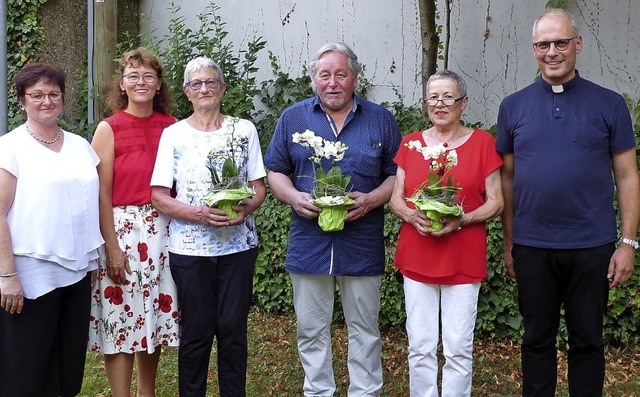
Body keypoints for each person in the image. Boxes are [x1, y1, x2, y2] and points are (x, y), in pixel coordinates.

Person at [497, 9, 640, 397]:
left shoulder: (610, 104)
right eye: (544, 44)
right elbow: (507, 179)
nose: (553, 52)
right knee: (536, 341)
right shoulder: (512, 106)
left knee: (588, 342)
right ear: (534, 50)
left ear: (577, 44)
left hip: (591, 246)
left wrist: (627, 244)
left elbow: (628, 176)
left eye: (561, 42)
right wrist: (510, 241)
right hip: (533, 245)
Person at [264, 42, 402, 397]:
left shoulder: (380, 120)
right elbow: (275, 171)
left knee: (365, 328)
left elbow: (396, 176)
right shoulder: (293, 118)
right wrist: (294, 196)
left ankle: (365, 392)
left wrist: (371, 200)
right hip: (309, 242)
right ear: (314, 80)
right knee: (310, 328)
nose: (333, 82)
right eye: (324, 75)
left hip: (362, 240)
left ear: (355, 77)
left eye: (341, 74)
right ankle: (319, 392)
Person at [150, 56, 267, 397]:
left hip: (238, 247)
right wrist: (199, 214)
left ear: (222, 88)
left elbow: (259, 187)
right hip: (189, 250)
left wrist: (245, 208)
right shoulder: (173, 135)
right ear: (186, 92)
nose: (204, 89)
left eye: (210, 82)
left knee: (233, 331)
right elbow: (159, 196)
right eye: (196, 84)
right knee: (197, 334)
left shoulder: (243, 130)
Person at [389, 70, 503, 396]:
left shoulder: (483, 143)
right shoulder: (410, 143)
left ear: (463, 102)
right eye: (433, 97)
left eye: (448, 97)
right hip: (418, 253)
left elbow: (497, 202)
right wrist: (411, 215)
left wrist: (463, 219)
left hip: (463, 256)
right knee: (420, 345)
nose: (440, 104)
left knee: (458, 346)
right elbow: (397, 197)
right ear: (426, 103)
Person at [0, 63, 103, 396]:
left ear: (62, 97)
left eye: (53, 94)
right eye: (36, 95)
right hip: (31, 274)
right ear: (21, 101)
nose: (46, 101)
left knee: (68, 365)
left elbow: (95, 201)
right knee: (27, 369)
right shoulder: (10, 147)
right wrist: (7, 276)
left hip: (76, 271)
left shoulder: (79, 145)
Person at [88, 47, 180, 396]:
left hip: (163, 231)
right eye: (133, 76)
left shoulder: (172, 127)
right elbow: (101, 193)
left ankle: (147, 392)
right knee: (120, 319)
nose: (141, 82)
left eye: (148, 76)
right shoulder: (108, 129)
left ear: (158, 86)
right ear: (122, 85)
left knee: (152, 316)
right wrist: (111, 247)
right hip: (121, 232)